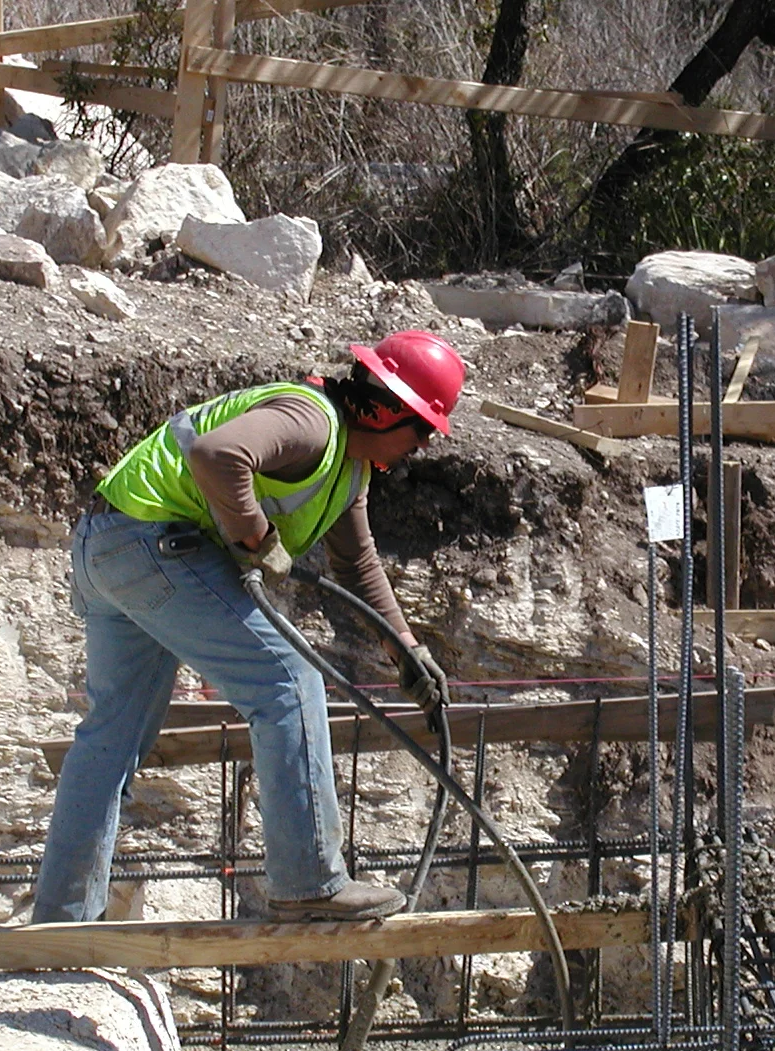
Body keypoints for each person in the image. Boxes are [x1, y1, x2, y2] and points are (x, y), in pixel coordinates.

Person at [35, 331, 464, 924]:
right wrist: (256, 537)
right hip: (155, 545)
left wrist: (406, 650)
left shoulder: (348, 470)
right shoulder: (312, 421)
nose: (416, 450)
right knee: (288, 684)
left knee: (112, 740)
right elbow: (217, 456)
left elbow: (357, 563)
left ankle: (60, 921)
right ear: (387, 408)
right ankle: (309, 880)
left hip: (110, 548)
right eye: (419, 432)